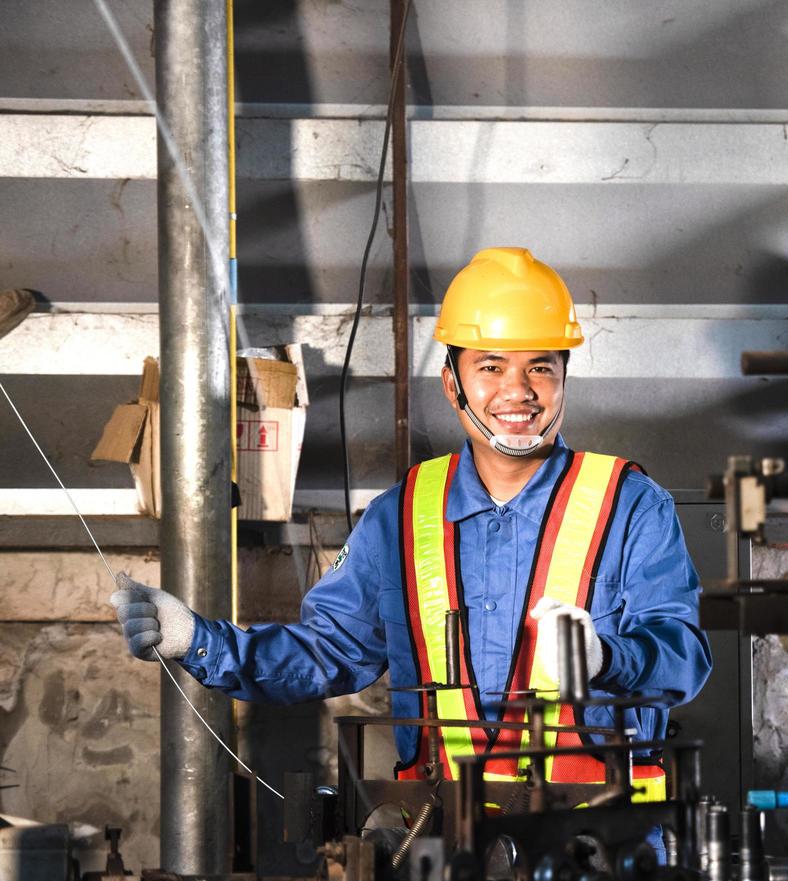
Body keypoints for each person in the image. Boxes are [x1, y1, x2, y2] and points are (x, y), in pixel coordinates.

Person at [111, 247, 711, 804]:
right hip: (442, 844)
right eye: (492, 366)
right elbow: (331, 651)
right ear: (453, 382)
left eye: (542, 368)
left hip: (601, 850)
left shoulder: (631, 504)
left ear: (563, 379)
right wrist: (199, 641)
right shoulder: (400, 515)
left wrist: (606, 656)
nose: (518, 391)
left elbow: (685, 659)